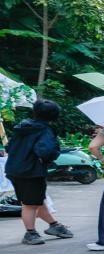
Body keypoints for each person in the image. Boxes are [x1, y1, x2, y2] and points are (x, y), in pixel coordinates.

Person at [5, 99, 73, 245]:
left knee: (36, 199)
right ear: (54, 116)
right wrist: (51, 156)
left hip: (14, 169)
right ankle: (30, 233)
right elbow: (45, 151)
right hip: (31, 171)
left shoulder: (22, 126)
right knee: (30, 204)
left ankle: (54, 225)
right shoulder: (45, 130)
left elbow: (8, 147)